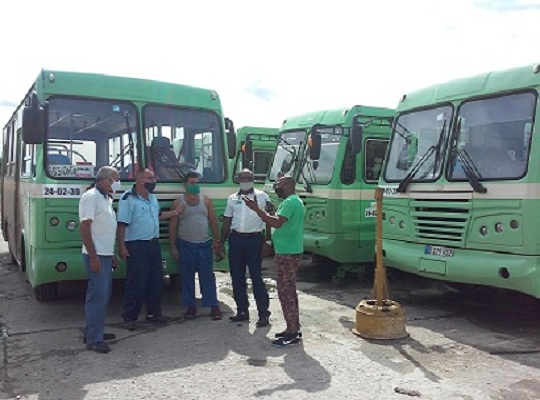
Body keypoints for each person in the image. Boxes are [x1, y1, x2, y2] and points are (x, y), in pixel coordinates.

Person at [243, 176, 305, 347]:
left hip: (288, 253)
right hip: (288, 251)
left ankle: (292, 333)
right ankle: (292, 328)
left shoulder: (291, 202)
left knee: (286, 293)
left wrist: (256, 209)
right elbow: (279, 220)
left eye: (279, 184)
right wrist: (269, 211)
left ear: (288, 185)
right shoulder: (292, 202)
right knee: (289, 291)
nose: (276, 186)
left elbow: (276, 223)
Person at [117, 168, 181, 330]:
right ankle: (129, 317)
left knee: (156, 280)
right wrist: (122, 246)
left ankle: (154, 314)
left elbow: (158, 215)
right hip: (137, 245)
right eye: (151, 178)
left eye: (154, 178)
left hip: (153, 244)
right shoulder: (128, 198)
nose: (154, 181)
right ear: (140, 180)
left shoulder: (152, 198)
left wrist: (175, 213)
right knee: (137, 282)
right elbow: (122, 224)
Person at [218, 169, 272, 327]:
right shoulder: (232, 198)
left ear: (253, 179)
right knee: (237, 277)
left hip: (255, 240)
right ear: (238, 180)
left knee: (256, 278)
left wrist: (268, 241)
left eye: (249, 178)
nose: (246, 180)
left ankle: (263, 314)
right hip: (236, 240)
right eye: (243, 178)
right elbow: (227, 220)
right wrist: (221, 241)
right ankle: (242, 311)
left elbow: (269, 218)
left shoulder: (262, 196)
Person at [168, 171, 222, 320]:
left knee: (208, 277)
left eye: (197, 183)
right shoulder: (178, 202)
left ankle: (213, 306)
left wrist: (217, 241)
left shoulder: (206, 201)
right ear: (185, 185)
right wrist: (173, 246)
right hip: (185, 246)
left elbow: (212, 221)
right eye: (192, 183)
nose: (195, 186)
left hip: (204, 245)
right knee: (186, 278)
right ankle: (191, 307)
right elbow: (173, 226)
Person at [79, 166, 120, 354]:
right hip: (94, 255)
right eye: (116, 179)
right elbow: (85, 228)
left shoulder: (106, 198)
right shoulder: (91, 197)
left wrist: (111, 254)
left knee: (101, 295)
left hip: (104, 255)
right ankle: (94, 339)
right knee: (99, 296)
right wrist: (94, 257)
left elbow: (105, 230)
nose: (118, 183)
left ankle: (93, 331)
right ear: (106, 180)